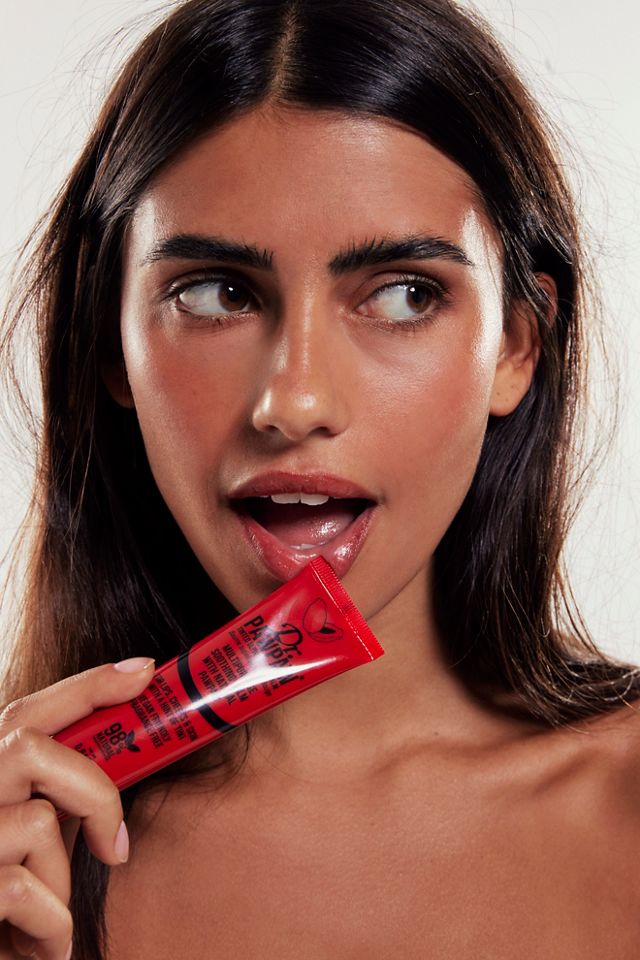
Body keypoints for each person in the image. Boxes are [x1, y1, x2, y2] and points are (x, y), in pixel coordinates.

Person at [1, 0, 639, 957]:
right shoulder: (29, 848)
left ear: (517, 344)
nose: (293, 402)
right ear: (109, 342)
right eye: (216, 293)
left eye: (404, 295)